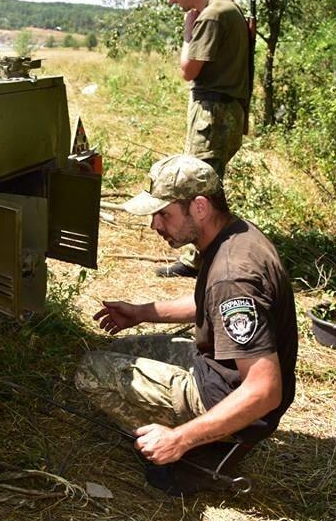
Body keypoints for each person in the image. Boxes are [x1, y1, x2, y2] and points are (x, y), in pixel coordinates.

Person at [75, 155, 297, 496]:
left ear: (200, 207)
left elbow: (265, 390)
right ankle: (202, 440)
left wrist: (178, 440)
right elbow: (209, 305)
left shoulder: (232, 276)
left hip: (229, 396)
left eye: (164, 214)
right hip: (216, 369)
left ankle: (199, 452)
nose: (155, 226)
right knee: (117, 353)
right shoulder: (235, 234)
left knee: (90, 371)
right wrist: (140, 313)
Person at [155, 0, 250, 278]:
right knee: (211, 185)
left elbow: (188, 69)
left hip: (212, 114)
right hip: (227, 111)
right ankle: (217, 251)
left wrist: (187, 32)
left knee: (200, 186)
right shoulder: (228, 6)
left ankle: (204, 259)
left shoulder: (210, 15)